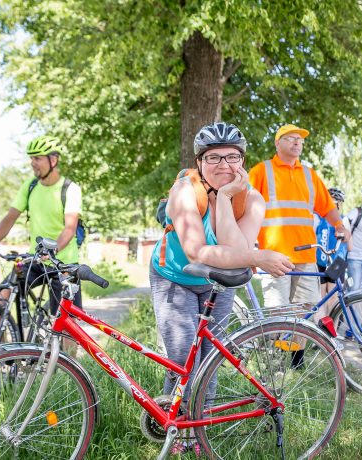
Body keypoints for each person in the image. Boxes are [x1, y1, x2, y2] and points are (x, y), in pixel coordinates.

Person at [149, 122, 292, 428]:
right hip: (175, 275)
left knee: (211, 358)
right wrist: (256, 256)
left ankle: (199, 425)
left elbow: (235, 252)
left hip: (219, 281)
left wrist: (226, 198)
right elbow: (197, 252)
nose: (224, 165)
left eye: (232, 157)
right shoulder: (185, 191)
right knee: (183, 355)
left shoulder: (251, 199)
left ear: (243, 162)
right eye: (213, 158)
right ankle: (175, 425)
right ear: (199, 163)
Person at [0, 135, 83, 315]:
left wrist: (52, 251)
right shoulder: (30, 186)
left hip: (63, 264)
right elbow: (10, 218)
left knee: (67, 327)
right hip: (35, 261)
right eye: (31, 158)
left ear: (53, 160)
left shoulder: (70, 189)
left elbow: (69, 228)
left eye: (38, 158)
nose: (33, 163)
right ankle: (4, 342)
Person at [248, 124, 349, 311]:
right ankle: (275, 342)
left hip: (306, 256)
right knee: (278, 314)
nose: (296, 142)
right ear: (277, 143)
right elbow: (243, 208)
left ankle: (294, 343)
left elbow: (327, 207)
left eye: (300, 139)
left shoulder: (309, 175)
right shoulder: (261, 171)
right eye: (290, 138)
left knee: (306, 312)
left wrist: (339, 225)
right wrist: (247, 251)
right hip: (275, 256)